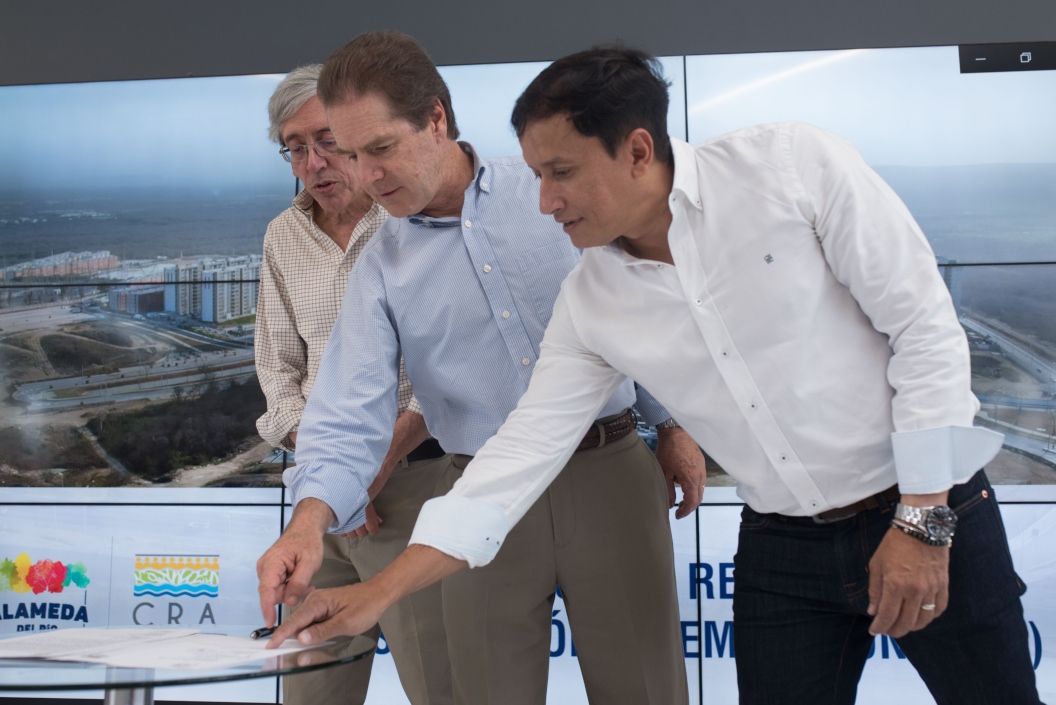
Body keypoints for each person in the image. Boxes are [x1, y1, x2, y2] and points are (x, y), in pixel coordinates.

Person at [271, 47, 1043, 705]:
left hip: (929, 507)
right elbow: (514, 461)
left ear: (638, 150)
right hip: (782, 546)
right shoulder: (592, 298)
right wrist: (375, 591)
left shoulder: (794, 166)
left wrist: (921, 520)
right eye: (537, 173)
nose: (544, 201)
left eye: (562, 172)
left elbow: (927, 334)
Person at [258, 31, 702, 705]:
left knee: (646, 690)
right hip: (475, 496)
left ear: (436, 119)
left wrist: (671, 424)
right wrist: (306, 522)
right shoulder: (379, 266)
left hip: (609, 471)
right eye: (351, 155)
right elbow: (348, 411)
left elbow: (635, 302)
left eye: (380, 148)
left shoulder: (550, 190)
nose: (366, 175)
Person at [253, 65, 453, 705]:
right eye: (294, 146)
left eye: (326, 140)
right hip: (319, 498)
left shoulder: (412, 221)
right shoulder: (283, 235)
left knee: (438, 683)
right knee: (312, 689)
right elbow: (277, 371)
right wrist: (329, 474)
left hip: (417, 482)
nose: (312, 161)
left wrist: (372, 464)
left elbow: (448, 367)